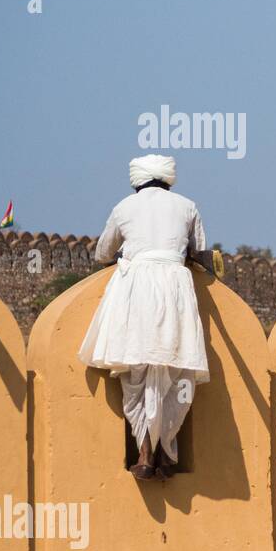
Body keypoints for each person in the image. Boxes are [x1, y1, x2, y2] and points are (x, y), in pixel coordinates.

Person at [78, 154, 211, 481]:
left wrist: (133, 253)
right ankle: (166, 447)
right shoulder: (187, 205)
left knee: (138, 371)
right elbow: (201, 252)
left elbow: (102, 254)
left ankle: (145, 452)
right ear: (168, 178)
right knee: (174, 371)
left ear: (137, 180)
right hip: (177, 290)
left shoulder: (124, 207)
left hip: (137, 293)